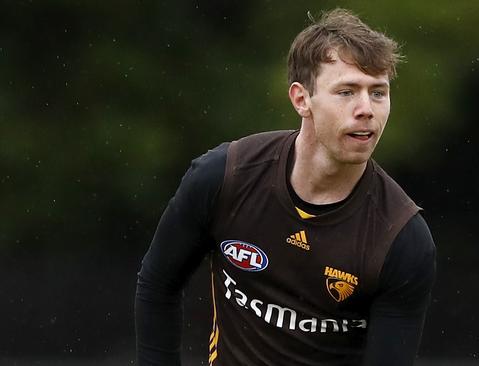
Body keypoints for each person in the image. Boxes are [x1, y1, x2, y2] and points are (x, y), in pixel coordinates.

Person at [135, 8, 436, 366]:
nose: (366, 109)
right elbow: (157, 286)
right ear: (301, 99)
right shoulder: (225, 176)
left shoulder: (401, 237)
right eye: (346, 91)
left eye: (378, 93)